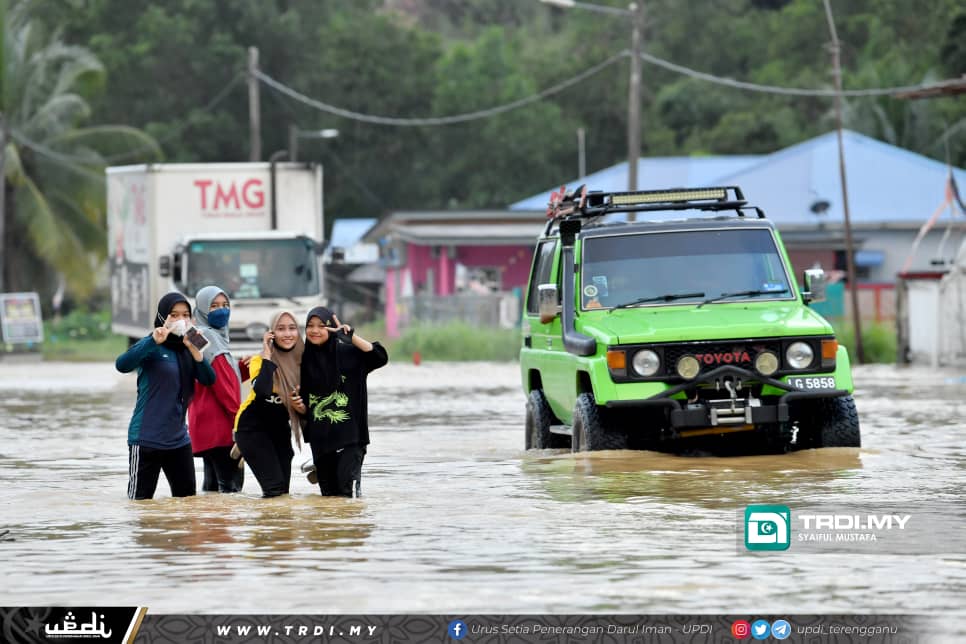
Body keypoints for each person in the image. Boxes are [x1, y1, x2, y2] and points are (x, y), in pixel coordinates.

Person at [116, 292, 216, 500]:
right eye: (174, 315)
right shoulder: (152, 344)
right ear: (163, 317)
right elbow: (122, 365)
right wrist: (153, 341)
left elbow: (208, 379)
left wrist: (196, 352)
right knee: (140, 506)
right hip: (146, 440)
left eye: (185, 315)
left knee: (188, 504)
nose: (180, 320)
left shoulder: (190, 344)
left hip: (178, 440)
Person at [300, 307, 388, 497]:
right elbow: (307, 407)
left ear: (331, 328)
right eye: (310, 326)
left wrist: (352, 338)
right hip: (321, 443)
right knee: (329, 501)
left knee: (347, 499)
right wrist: (299, 407)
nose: (315, 330)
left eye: (321, 326)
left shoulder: (348, 353)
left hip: (350, 440)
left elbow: (380, 356)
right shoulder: (304, 360)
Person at [233, 310, 306, 497]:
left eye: (292, 328)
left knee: (283, 493)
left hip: (279, 431)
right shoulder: (259, 361)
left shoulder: (304, 362)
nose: (287, 334)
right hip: (251, 429)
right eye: (281, 329)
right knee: (273, 490)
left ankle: (277, 527)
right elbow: (262, 391)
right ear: (271, 333)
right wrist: (267, 354)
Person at [188, 285, 246, 493]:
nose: (222, 310)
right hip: (221, 426)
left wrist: (243, 368)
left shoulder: (195, 334)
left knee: (212, 490)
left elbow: (211, 373)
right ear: (202, 309)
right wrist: (240, 423)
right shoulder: (211, 338)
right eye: (214, 306)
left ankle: (208, 525)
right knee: (232, 491)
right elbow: (222, 385)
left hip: (202, 425)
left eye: (225, 305)